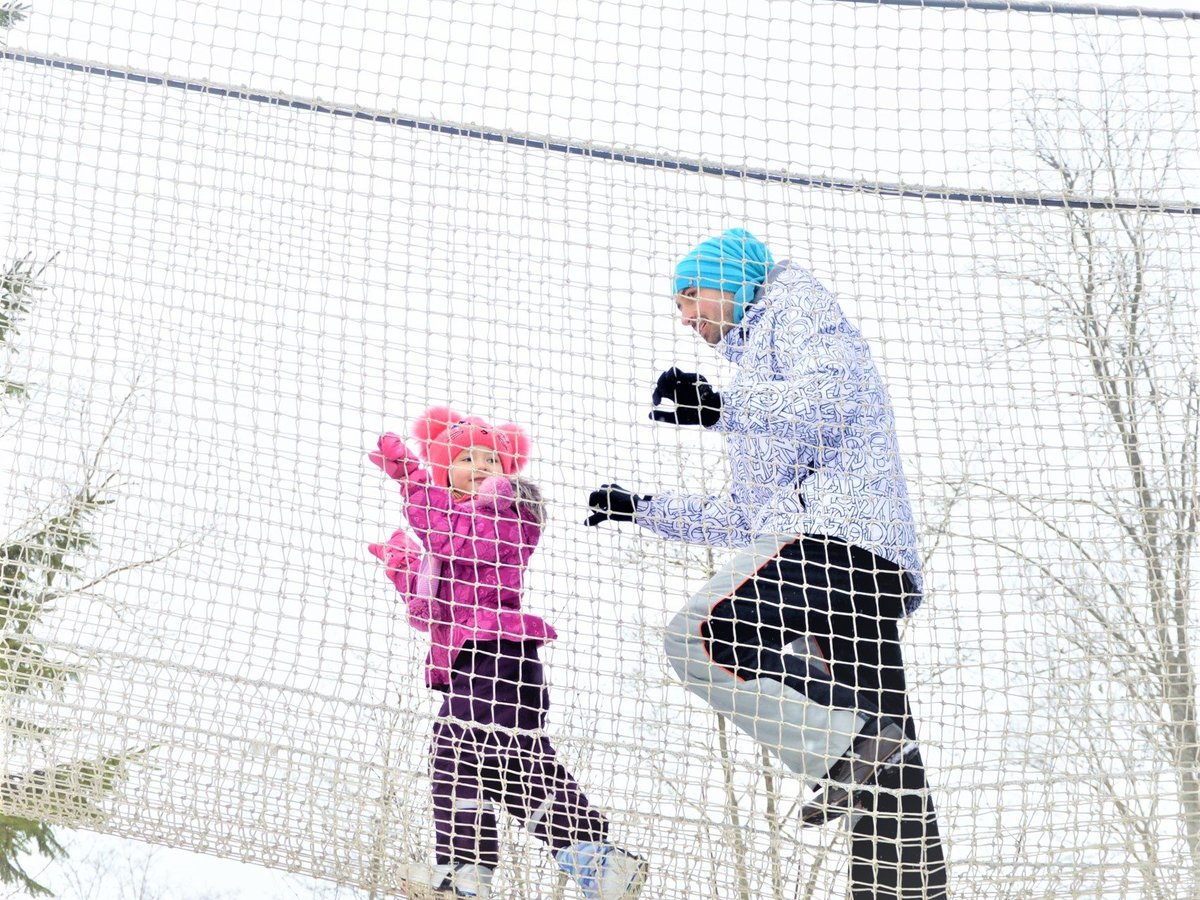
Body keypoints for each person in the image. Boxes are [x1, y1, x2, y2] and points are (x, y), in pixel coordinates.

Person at [585, 229, 948, 899]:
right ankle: (897, 861)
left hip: (832, 542)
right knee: (892, 770)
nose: (687, 318)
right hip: (856, 563)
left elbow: (840, 396)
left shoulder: (796, 305)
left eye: (692, 297)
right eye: (679, 308)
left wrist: (724, 409)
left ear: (732, 282)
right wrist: (640, 507)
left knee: (700, 636)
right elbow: (746, 517)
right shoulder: (754, 370)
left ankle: (844, 749)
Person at [368, 406, 646, 900]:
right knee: (509, 765)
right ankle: (599, 864)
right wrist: (404, 564)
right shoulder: (447, 525)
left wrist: (411, 481)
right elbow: (439, 603)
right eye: (467, 457)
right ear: (445, 464)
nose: (481, 466)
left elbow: (460, 541)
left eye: (492, 459)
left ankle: (465, 872)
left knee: (456, 747)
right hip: (472, 661)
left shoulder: (510, 509)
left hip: (499, 655)